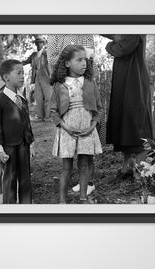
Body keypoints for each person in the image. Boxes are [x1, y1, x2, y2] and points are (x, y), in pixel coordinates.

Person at [50, 45, 102, 203]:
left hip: (87, 128)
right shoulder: (60, 85)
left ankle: (83, 197)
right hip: (67, 130)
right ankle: (62, 201)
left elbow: (98, 108)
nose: (84, 63)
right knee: (66, 167)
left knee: (84, 165)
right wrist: (66, 127)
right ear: (67, 63)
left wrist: (92, 126)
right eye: (79, 60)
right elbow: (53, 111)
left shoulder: (90, 83)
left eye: (84, 59)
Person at [104, 34, 153, 178]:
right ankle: (127, 167)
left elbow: (121, 48)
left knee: (135, 124)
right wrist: (115, 38)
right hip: (125, 77)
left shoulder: (135, 28)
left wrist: (109, 45)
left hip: (134, 80)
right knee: (124, 122)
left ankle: (141, 175)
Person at [0, 60, 35, 204]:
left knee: (25, 179)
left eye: (23, 73)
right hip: (9, 147)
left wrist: (31, 143)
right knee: (10, 180)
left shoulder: (22, 100)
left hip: (24, 145)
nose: (23, 76)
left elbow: (26, 123)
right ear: (6, 77)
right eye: (18, 73)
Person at [22, 36, 51, 122]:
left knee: (48, 97)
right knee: (38, 98)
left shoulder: (47, 53)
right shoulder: (33, 55)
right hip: (37, 77)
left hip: (46, 76)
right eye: (37, 43)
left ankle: (48, 117)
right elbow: (25, 62)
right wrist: (15, 63)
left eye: (40, 43)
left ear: (43, 44)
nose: (38, 44)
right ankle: (40, 117)